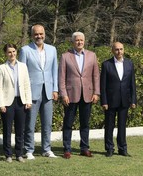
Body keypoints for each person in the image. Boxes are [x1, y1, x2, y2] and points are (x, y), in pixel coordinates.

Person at [19, 24, 58, 160]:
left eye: (41, 34)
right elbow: (22, 73)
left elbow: (54, 70)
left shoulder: (52, 50)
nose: (39, 36)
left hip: (48, 91)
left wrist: (55, 89)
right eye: (36, 34)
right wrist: (24, 93)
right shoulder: (25, 50)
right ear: (32, 35)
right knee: (30, 123)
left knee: (47, 123)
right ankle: (29, 149)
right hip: (31, 92)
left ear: (45, 34)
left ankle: (46, 149)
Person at [58, 31, 100, 159]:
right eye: (77, 40)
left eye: (81, 40)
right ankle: (67, 149)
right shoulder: (65, 56)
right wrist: (63, 94)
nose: (79, 42)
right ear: (72, 42)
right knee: (68, 123)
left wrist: (96, 92)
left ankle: (84, 148)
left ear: (84, 41)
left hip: (87, 94)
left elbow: (96, 76)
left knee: (85, 123)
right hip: (70, 95)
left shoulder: (92, 55)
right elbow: (61, 77)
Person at [100, 42, 136, 157]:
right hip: (110, 101)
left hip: (124, 100)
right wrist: (104, 101)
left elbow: (132, 84)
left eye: (121, 49)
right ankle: (109, 148)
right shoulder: (106, 64)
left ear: (123, 50)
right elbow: (103, 85)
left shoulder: (130, 64)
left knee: (122, 126)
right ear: (112, 51)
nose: (119, 51)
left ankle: (122, 149)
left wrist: (133, 100)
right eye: (116, 49)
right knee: (109, 126)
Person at [0, 44, 32, 163]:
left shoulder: (23, 66)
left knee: (20, 129)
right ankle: (8, 154)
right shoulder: (2, 68)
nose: (12, 54)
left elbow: (27, 84)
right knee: (7, 129)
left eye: (13, 51)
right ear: (5, 54)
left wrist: (28, 100)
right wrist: (1, 104)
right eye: (9, 52)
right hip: (7, 102)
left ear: (16, 52)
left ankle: (19, 154)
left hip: (21, 101)